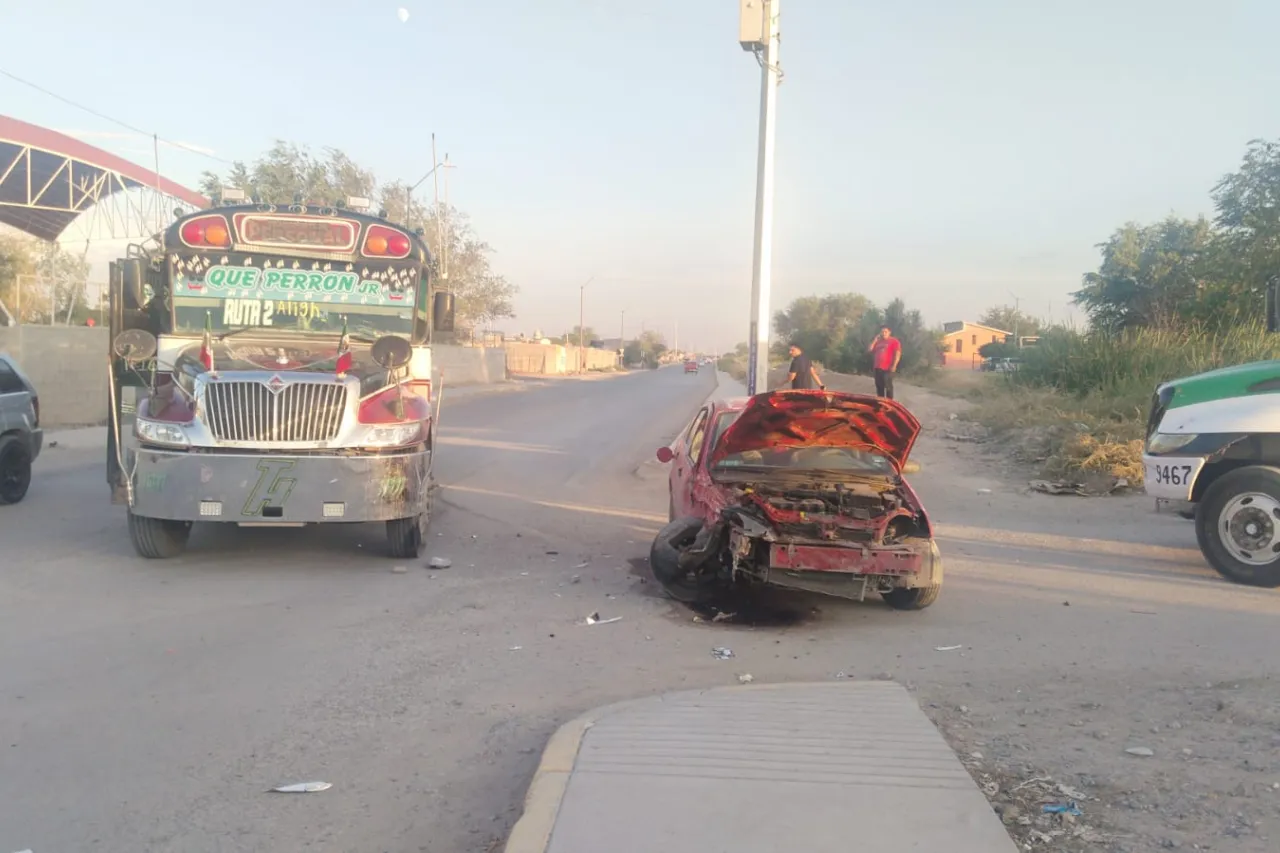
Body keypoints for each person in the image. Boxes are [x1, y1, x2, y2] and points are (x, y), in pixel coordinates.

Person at [867, 325, 901, 399]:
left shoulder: (894, 341)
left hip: (887, 368)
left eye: (885, 332)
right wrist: (875, 340)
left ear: (889, 332)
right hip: (877, 367)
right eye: (882, 332)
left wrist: (894, 365)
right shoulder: (878, 342)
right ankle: (881, 402)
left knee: (888, 386)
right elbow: (870, 350)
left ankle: (890, 404)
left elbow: (897, 354)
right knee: (879, 386)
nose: (884, 333)